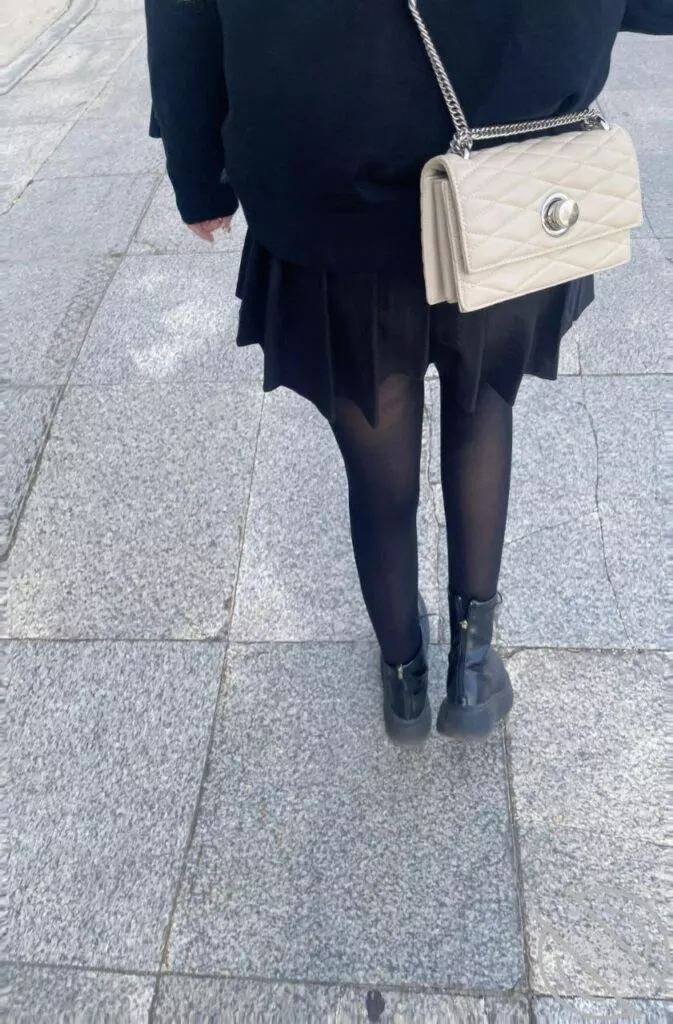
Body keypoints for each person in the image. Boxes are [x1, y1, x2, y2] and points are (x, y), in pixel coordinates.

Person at [144, 0, 670, 745]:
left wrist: (198, 171)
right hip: (507, 178)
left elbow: (183, 14)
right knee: (483, 407)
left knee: (377, 458)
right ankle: (472, 672)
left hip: (330, 187)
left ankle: (404, 678)